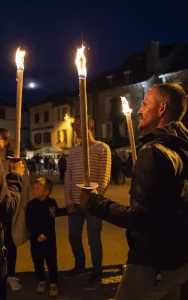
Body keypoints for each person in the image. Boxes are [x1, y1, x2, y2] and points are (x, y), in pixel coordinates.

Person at [80, 83, 188, 300]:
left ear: (161, 108)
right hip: (179, 260)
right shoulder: (182, 147)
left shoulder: (154, 152)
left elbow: (141, 218)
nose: (139, 110)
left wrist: (93, 203)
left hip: (152, 262)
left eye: (145, 104)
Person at [63, 115, 111, 290]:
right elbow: (68, 175)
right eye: (74, 126)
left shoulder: (102, 148)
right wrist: (68, 199)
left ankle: (97, 272)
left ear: (90, 126)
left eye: (79, 125)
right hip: (75, 202)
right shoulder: (73, 151)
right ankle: (80, 265)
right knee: (73, 236)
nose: (75, 129)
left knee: (93, 238)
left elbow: (104, 175)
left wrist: (95, 197)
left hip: (93, 202)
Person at [0, 128, 30, 291]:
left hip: (10, 207)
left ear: (6, 141)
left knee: (10, 243)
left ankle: (11, 275)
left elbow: (23, 186)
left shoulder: (15, 163)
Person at [26, 177, 67, 297]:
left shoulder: (51, 203)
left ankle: (54, 282)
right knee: (37, 261)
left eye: (37, 188)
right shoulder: (31, 205)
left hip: (49, 239)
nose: (33, 190)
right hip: (35, 240)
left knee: (52, 261)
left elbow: (54, 216)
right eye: (33, 188)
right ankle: (41, 280)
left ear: (46, 192)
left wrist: (68, 210)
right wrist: (36, 235)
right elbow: (29, 222)